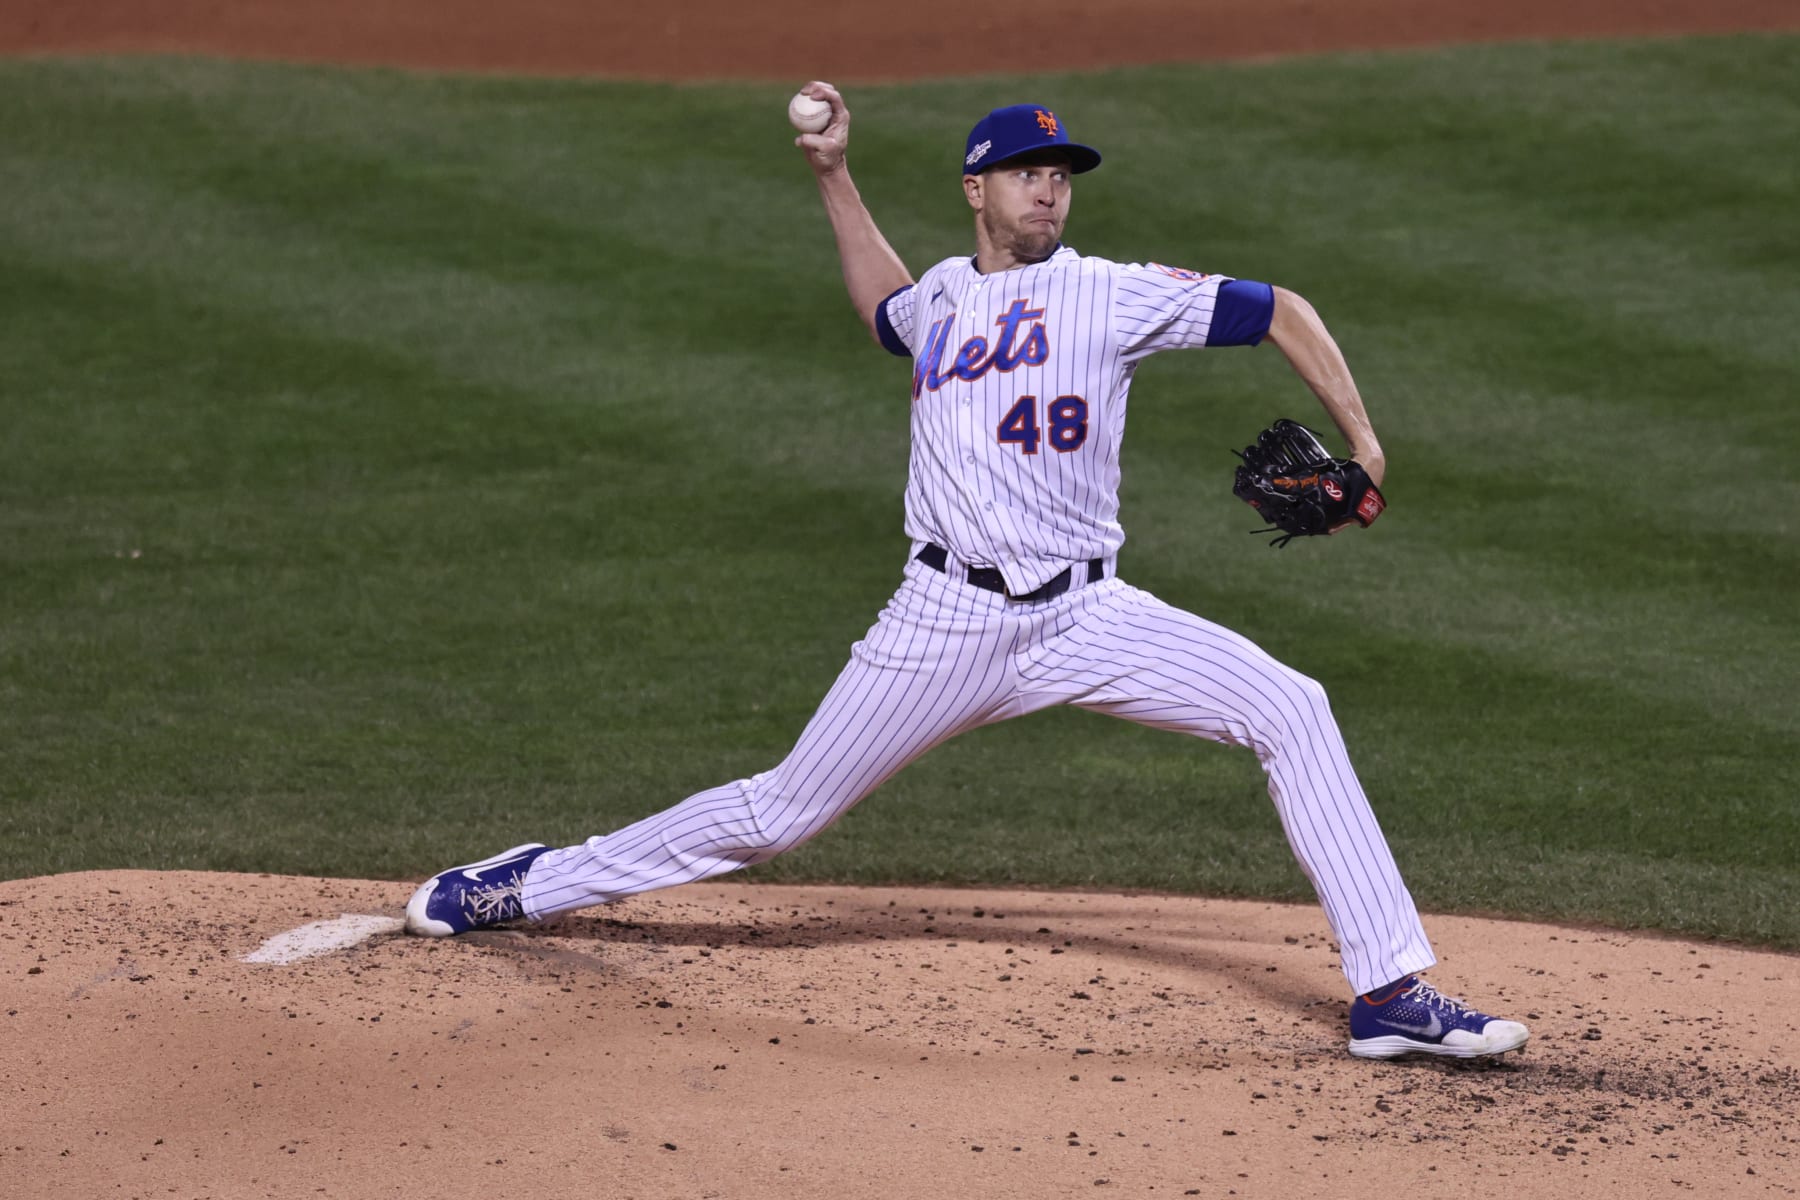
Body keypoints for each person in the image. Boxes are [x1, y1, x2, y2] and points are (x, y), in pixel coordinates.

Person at [406, 83, 1529, 1061]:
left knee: (1293, 705)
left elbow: (1282, 308)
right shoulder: (943, 294)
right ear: (975, 191)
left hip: (1090, 614)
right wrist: (835, 173)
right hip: (943, 620)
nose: (1048, 191)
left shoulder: (1115, 292)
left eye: (1061, 176)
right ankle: (529, 882)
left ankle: (1388, 993)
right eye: (1024, 174)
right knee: (776, 817)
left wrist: (1367, 445)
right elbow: (884, 312)